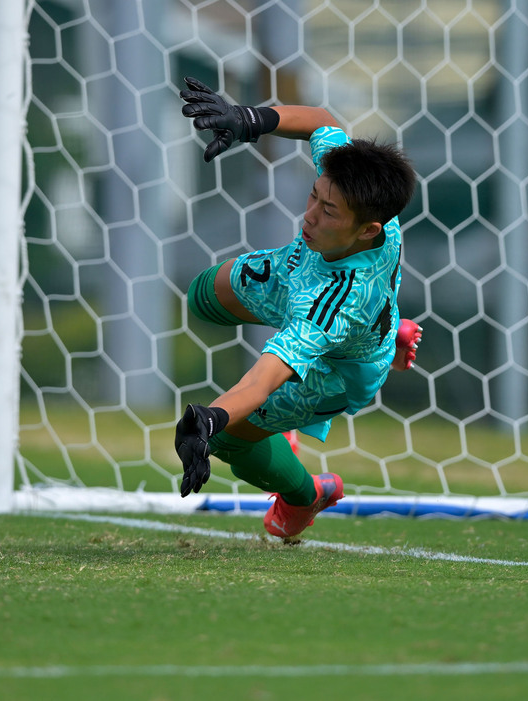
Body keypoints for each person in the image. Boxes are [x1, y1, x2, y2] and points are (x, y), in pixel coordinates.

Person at [174, 76, 421, 539]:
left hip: (334, 371)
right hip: (297, 275)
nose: (309, 214)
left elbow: (263, 379)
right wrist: (250, 119)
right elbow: (324, 123)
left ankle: (307, 496)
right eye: (315, 195)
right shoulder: (356, 188)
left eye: (328, 212)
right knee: (204, 297)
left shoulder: (334, 307)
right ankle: (384, 333)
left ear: (367, 231)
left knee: (232, 436)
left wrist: (210, 419)